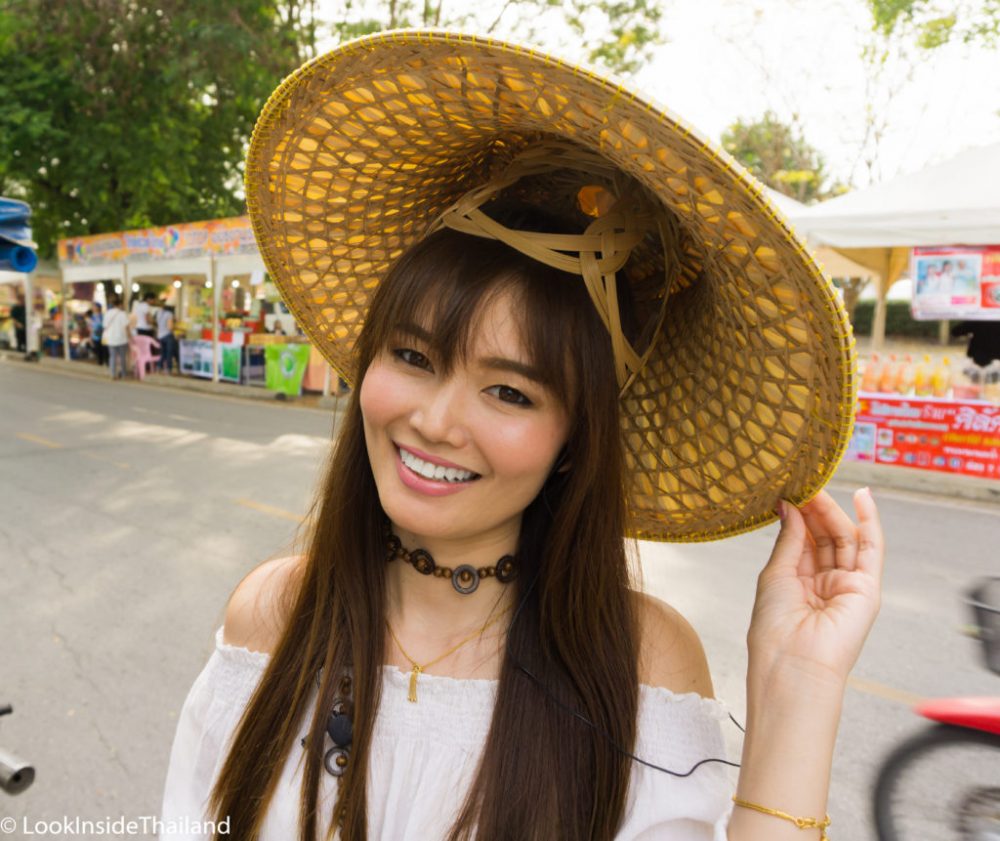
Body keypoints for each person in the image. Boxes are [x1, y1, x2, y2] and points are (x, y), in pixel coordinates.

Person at [160, 33, 883, 841]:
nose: (435, 421)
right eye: (412, 356)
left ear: (575, 437)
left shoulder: (640, 664)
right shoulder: (274, 614)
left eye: (508, 390)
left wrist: (798, 686)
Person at [103, 295, 129, 379]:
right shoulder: (122, 314)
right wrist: (130, 337)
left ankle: (113, 374)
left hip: (111, 338)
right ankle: (124, 374)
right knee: (122, 357)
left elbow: (104, 325)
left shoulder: (108, 313)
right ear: (120, 304)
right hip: (121, 338)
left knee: (112, 356)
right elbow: (126, 327)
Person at [157, 304, 177, 373]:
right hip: (167, 335)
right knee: (169, 352)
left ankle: (159, 366)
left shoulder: (159, 313)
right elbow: (170, 327)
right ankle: (168, 368)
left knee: (163, 352)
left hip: (160, 335)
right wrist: (175, 327)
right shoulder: (169, 314)